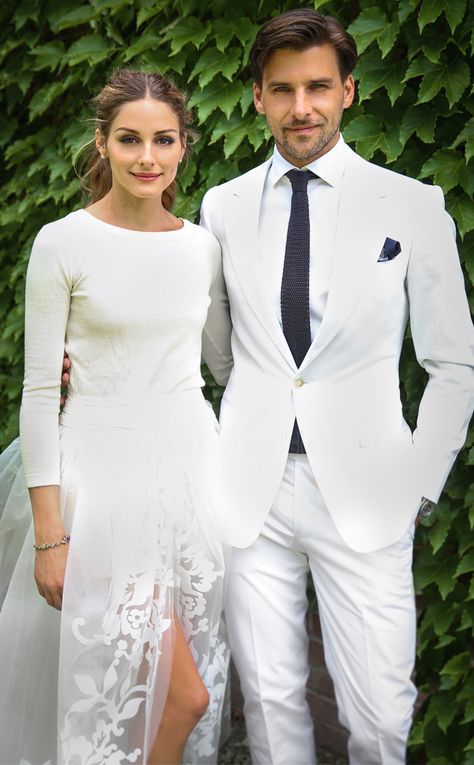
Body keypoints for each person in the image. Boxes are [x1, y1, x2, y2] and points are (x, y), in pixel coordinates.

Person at [200, 8, 474, 765]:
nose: (301, 108)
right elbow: (223, 350)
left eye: (318, 87)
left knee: (381, 719)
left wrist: (419, 485)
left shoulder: (412, 205)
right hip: (250, 492)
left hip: (369, 489)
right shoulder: (220, 207)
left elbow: (455, 363)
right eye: (282, 89)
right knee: (270, 706)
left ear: (348, 91)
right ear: (258, 96)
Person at [0, 69, 232, 765]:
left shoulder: (201, 248)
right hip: (101, 488)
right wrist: (51, 536)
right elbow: (39, 393)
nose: (147, 158)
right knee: (178, 697)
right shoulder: (62, 242)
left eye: (164, 140)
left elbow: (226, 364)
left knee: (152, 695)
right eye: (130, 139)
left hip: (189, 483)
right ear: (101, 142)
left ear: (184, 145)